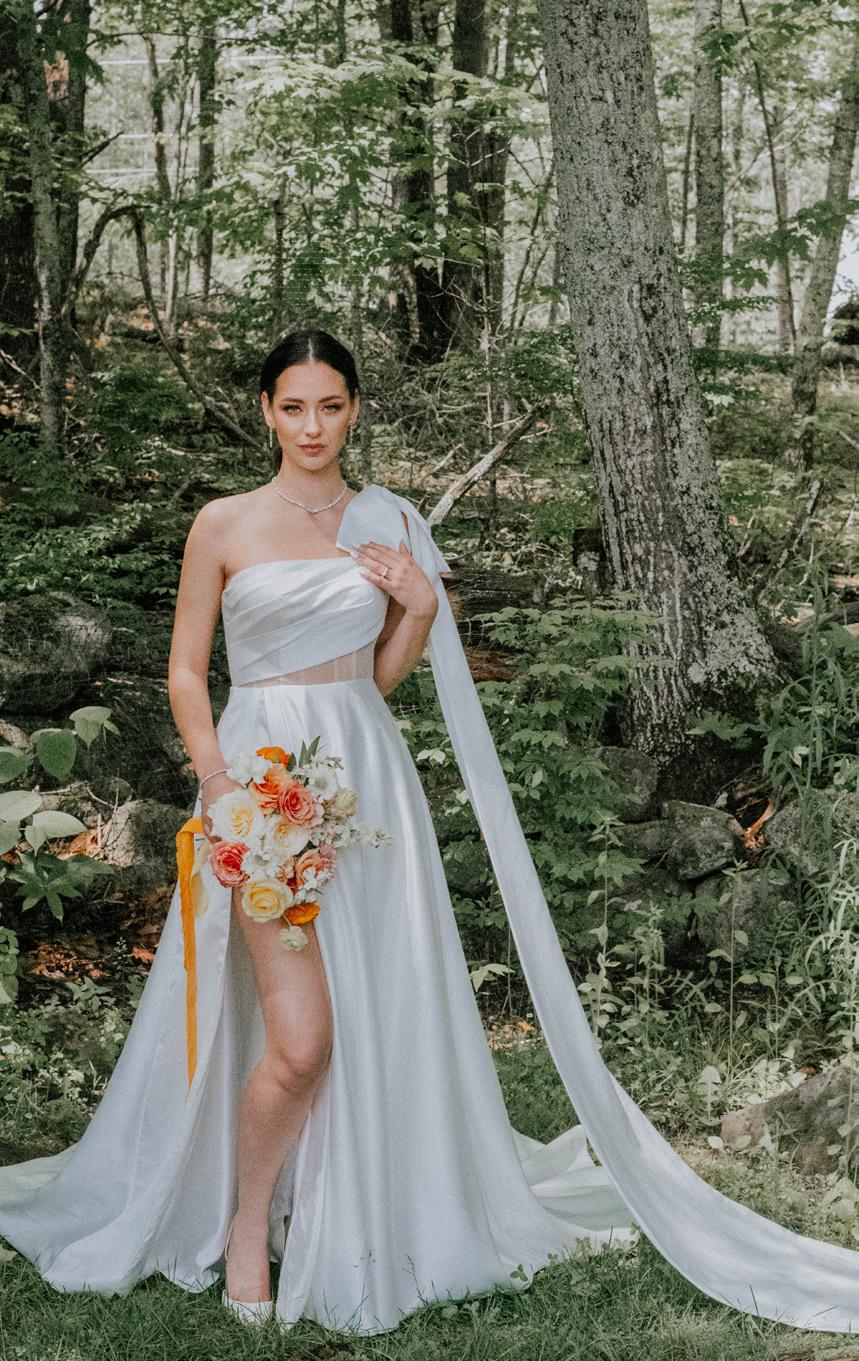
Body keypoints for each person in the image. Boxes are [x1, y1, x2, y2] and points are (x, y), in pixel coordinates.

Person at [1, 329, 859, 1339]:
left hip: (365, 781)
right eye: (293, 406)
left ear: (354, 408)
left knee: (376, 995)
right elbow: (188, 672)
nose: (312, 426)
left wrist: (413, 607)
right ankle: (244, 1223)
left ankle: (355, 1194)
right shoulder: (223, 522)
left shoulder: (390, 519)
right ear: (266, 410)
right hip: (258, 781)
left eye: (331, 405)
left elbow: (377, 676)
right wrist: (222, 785)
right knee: (300, 1037)